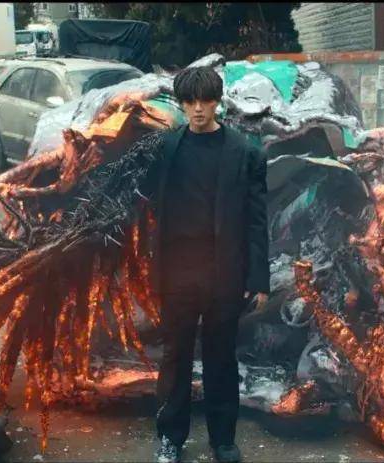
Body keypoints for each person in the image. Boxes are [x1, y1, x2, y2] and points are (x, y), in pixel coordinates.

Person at [144, 65, 269, 463]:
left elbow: (256, 220)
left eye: (205, 101)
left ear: (217, 102)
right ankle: (170, 438)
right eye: (190, 101)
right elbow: (147, 207)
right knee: (175, 358)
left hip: (223, 274)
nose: (198, 109)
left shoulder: (245, 152)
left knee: (221, 359)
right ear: (181, 104)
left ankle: (223, 440)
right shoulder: (166, 149)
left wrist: (259, 279)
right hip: (177, 274)